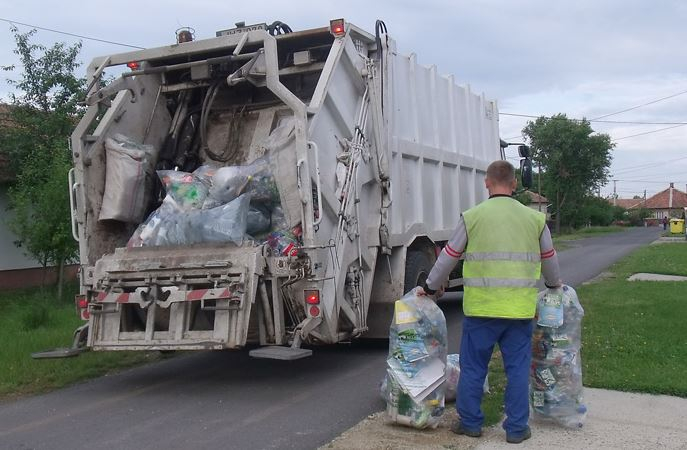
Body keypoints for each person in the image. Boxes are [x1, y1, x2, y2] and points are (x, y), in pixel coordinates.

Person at [417, 160, 561, 444]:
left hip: (481, 310)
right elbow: (550, 261)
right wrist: (555, 285)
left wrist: (429, 287)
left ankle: (470, 423)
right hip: (519, 312)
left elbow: (448, 256)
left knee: (473, 368)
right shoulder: (535, 220)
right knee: (518, 370)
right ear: (515, 184)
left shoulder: (472, 217)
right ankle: (517, 429)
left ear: (486, 183)